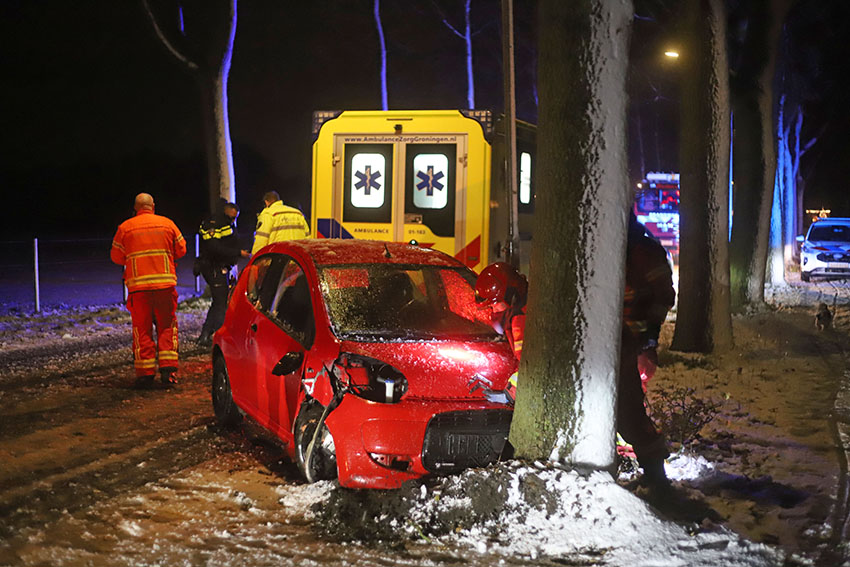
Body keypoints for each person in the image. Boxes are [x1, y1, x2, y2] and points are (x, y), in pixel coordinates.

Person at [619, 210, 676, 487]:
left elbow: (664, 296)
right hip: (613, 340)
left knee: (628, 410)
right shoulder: (619, 247)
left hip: (628, 341)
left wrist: (647, 337)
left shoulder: (643, 251)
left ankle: (656, 476)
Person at [111, 193, 187, 388]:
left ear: (136, 208)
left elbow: (116, 257)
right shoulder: (167, 224)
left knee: (142, 330)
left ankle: (145, 374)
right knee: (167, 327)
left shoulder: (125, 228)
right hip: (165, 286)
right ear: (152, 206)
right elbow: (181, 250)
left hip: (139, 289)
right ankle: (168, 372)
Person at [196, 200, 250, 346]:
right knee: (221, 304)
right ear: (226, 212)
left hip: (219, 266)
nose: (234, 220)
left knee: (219, 301)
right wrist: (238, 252)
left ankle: (205, 335)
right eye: (232, 217)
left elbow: (229, 241)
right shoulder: (214, 223)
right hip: (213, 267)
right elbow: (214, 248)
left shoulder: (225, 223)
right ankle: (219, 337)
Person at [475, 262, 528, 398]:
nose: (494, 311)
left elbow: (528, 364)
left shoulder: (520, 320)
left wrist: (509, 395)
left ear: (511, 297)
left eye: (496, 305)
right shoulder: (518, 314)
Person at [251, 191, 310, 255]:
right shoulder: (298, 213)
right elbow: (308, 238)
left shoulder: (268, 214)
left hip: (278, 259)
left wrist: (255, 257)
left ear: (266, 202)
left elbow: (261, 239)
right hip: (297, 258)